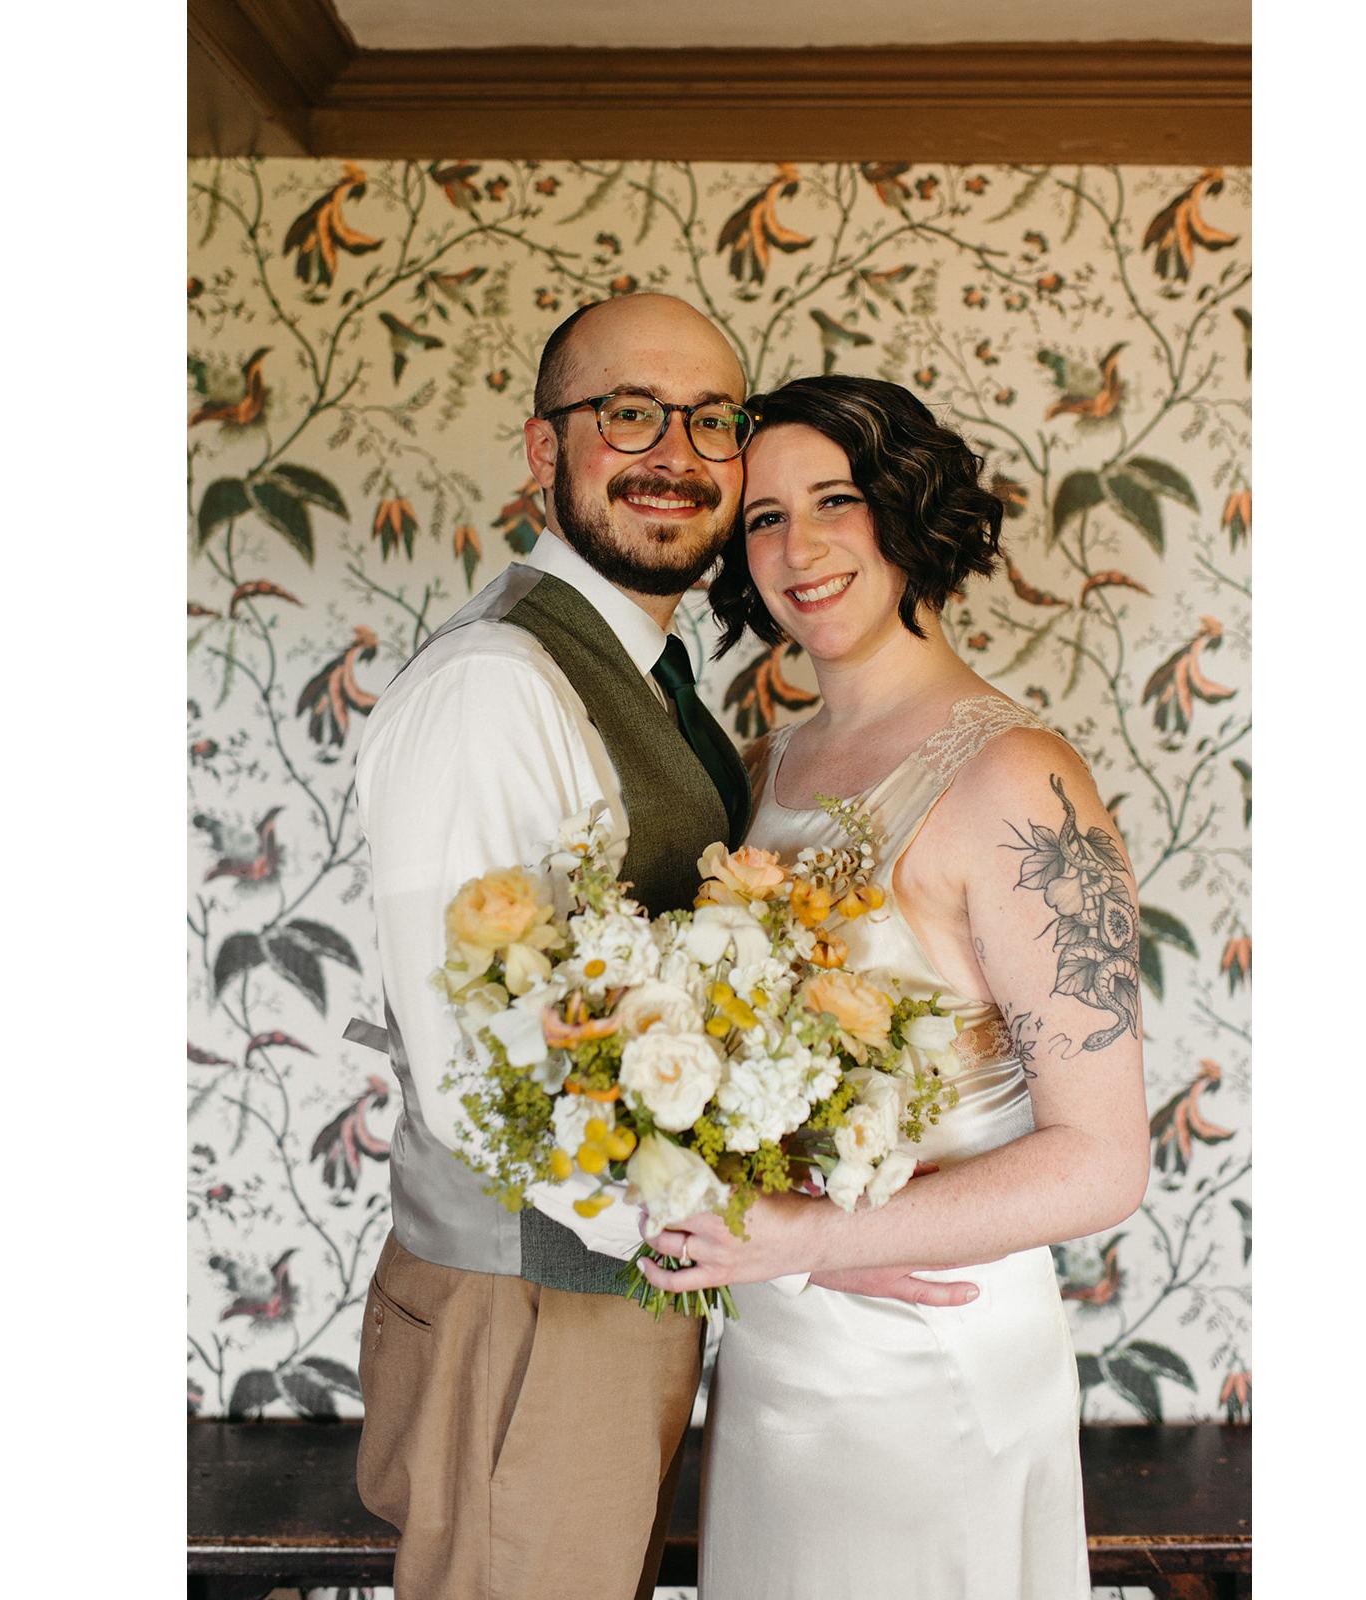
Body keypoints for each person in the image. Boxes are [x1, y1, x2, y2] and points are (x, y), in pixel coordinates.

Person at [347, 301, 971, 1600]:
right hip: (527, 1317)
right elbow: (483, 1078)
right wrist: (780, 1232)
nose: (674, 452)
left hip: (620, 1296)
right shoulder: (497, 688)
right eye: (627, 412)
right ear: (542, 450)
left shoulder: (656, 676)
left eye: (712, 421)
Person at [640, 374, 1151, 1599]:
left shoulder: (1024, 783)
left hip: (938, 1362)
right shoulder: (752, 765)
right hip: (775, 1345)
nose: (799, 547)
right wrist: (778, 1240)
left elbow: (1102, 1158)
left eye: (837, 500)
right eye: (761, 516)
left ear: (909, 514)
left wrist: (822, 1233)